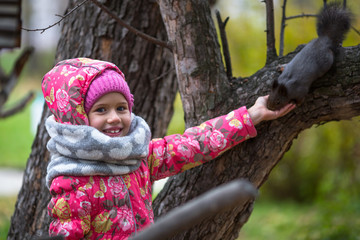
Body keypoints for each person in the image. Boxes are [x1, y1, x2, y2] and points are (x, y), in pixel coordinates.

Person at [42, 58, 295, 240]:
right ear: (77, 119)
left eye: (121, 107)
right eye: (101, 110)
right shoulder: (71, 180)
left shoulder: (138, 155)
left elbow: (195, 143)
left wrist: (251, 116)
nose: (114, 118)